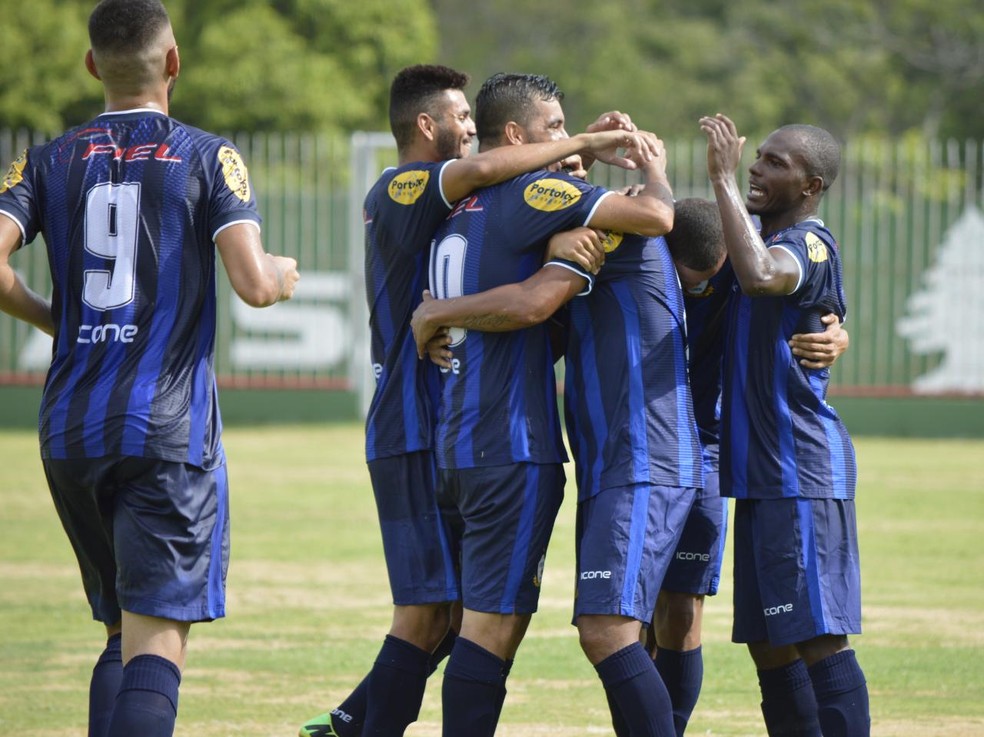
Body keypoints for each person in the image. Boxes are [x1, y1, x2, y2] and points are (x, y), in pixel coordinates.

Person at [298, 64, 666, 737]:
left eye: (475, 119)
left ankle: (351, 722)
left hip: (447, 421)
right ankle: (356, 723)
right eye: (458, 118)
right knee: (458, 620)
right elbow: (642, 219)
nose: (468, 129)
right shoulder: (409, 187)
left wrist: (447, 315)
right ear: (425, 125)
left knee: (446, 614)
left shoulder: (455, 218)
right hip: (425, 425)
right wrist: (583, 155)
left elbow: (521, 292)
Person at [0, 2, 300, 736]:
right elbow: (255, 284)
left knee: (120, 631)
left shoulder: (48, 157)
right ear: (173, 64)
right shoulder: (206, 154)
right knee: (157, 643)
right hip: (164, 431)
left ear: (92, 66)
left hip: (69, 430)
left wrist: (54, 317)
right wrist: (285, 274)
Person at [412, 70, 690, 736]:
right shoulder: (537, 195)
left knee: (477, 626)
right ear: (517, 139)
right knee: (500, 631)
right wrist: (650, 172)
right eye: (557, 128)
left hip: (462, 441)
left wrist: (578, 164)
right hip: (514, 447)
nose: (572, 142)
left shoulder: (453, 204)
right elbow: (655, 216)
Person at [699, 113, 870, 736]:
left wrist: (717, 177)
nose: (755, 167)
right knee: (771, 641)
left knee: (818, 637)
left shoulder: (807, 245)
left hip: (800, 469)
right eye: (757, 157)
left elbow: (765, 276)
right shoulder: (756, 239)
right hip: (762, 475)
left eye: (777, 163)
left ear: (811, 186)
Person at [653, 198, 849, 736]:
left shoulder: (751, 264)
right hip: (644, 448)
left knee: (680, 606)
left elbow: (811, 299)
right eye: (689, 284)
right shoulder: (643, 257)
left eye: (709, 282)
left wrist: (836, 332)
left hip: (713, 450)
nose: (702, 291)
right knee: (627, 618)